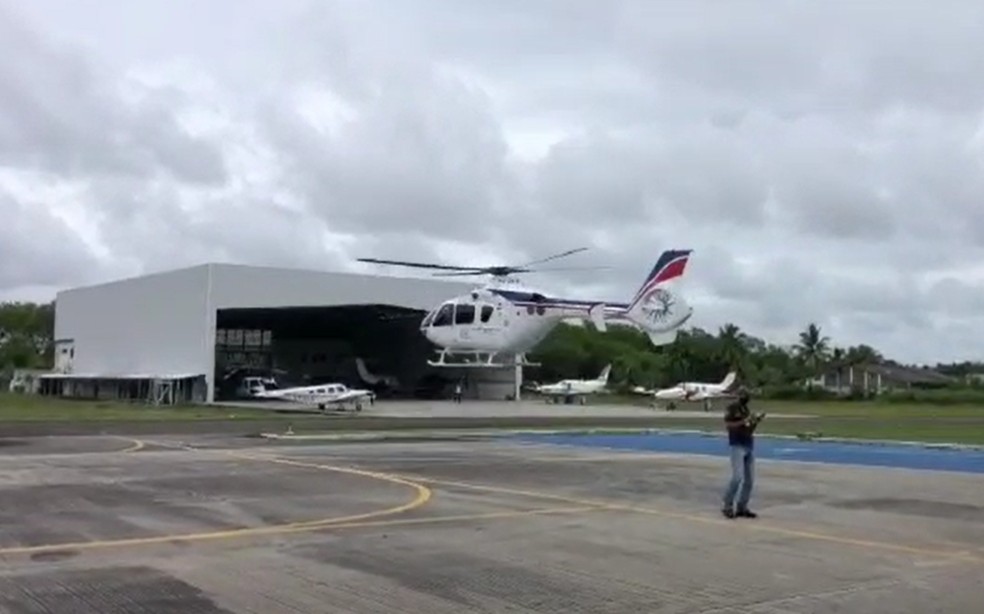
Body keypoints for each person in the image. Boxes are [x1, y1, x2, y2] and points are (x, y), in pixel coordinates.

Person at [721, 386, 764, 519]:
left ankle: (742, 506)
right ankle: (727, 504)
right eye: (744, 395)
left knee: (750, 480)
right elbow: (729, 425)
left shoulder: (746, 410)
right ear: (739, 395)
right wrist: (743, 421)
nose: (746, 398)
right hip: (737, 445)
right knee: (737, 477)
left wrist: (755, 421)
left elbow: (749, 429)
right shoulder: (732, 408)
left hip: (748, 445)